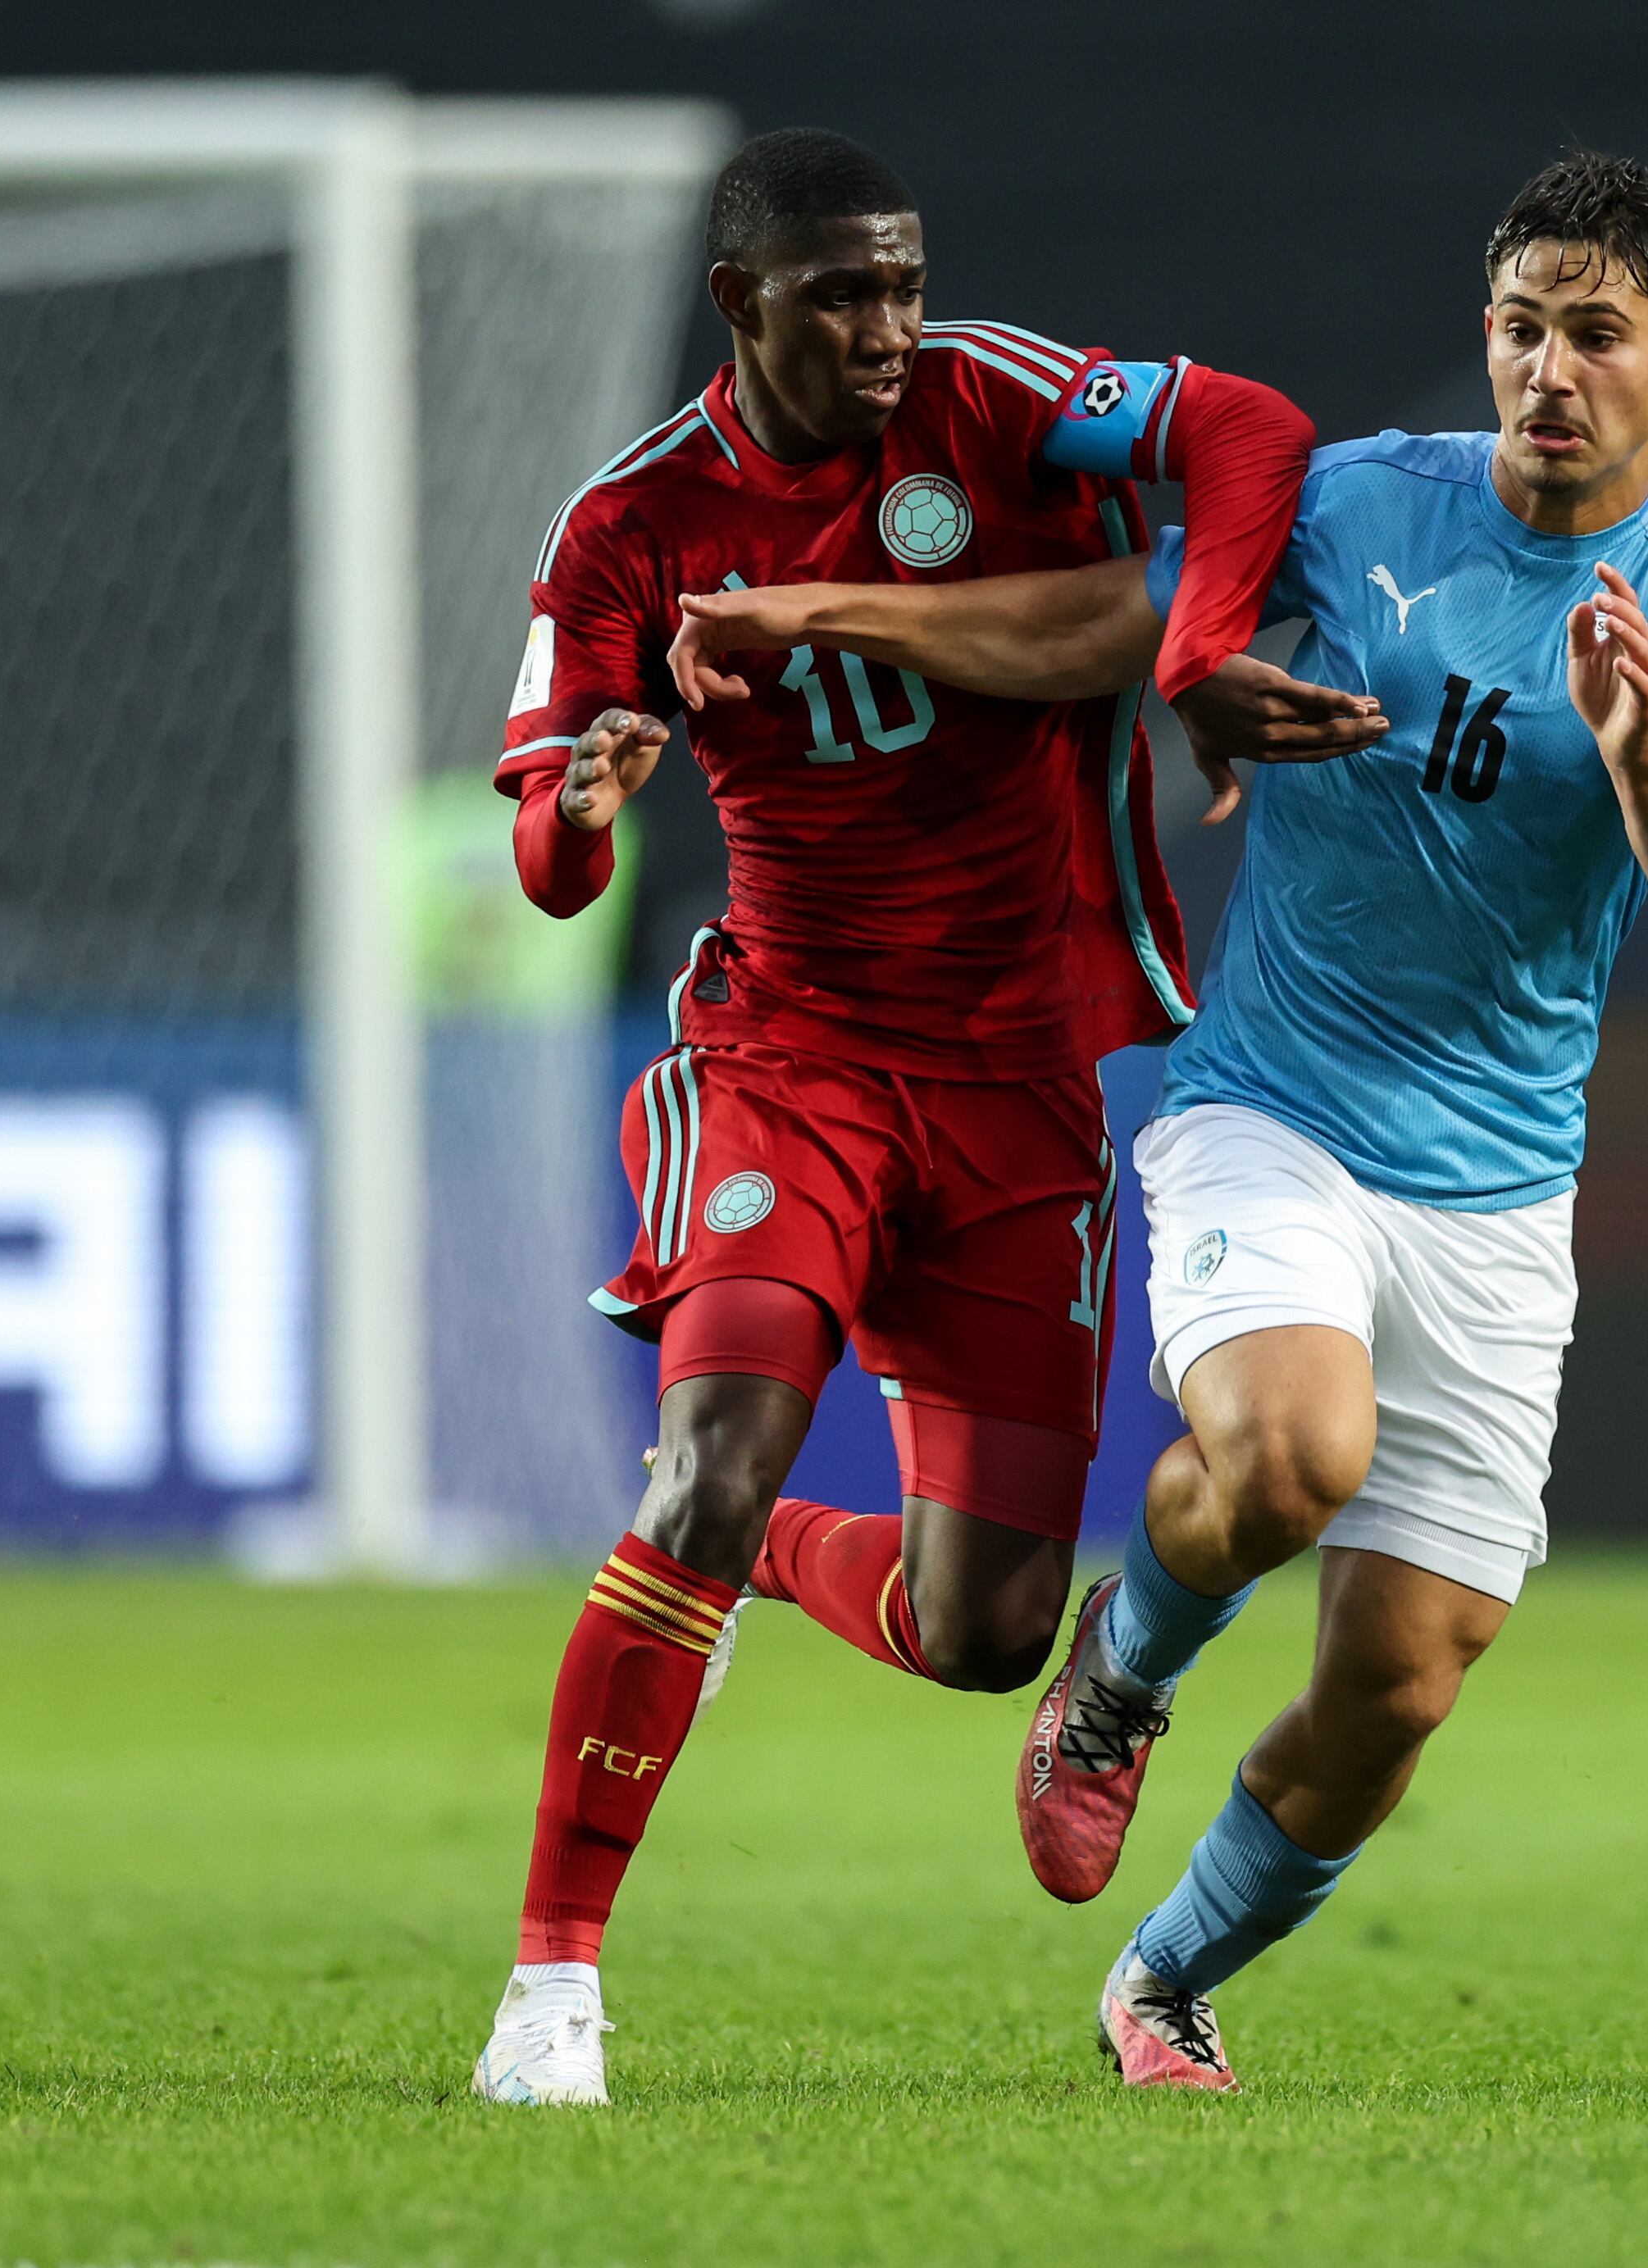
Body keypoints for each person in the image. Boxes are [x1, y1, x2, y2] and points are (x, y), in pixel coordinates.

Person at [673, 151, 1648, 2093]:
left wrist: (1631, 761)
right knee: (1286, 1452)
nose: (1551, 371)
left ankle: (1165, 1984)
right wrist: (834, 612)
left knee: (1398, 1688)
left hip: (1499, 1188)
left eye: (1598, 337)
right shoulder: (1358, 500)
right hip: (1267, 1106)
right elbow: (1105, 623)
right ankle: (1119, 1683)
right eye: (1523, 326)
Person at [471, 127, 1382, 2108]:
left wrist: (1202, 643)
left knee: (983, 1631)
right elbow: (544, 844)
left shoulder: (995, 399)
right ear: (743, 304)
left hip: (1019, 1094)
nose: (888, 324)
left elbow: (1250, 429)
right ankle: (551, 1994)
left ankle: (761, 1546)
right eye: (841, 293)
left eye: (901, 278)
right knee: (700, 1459)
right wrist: (591, 809)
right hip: (788, 1059)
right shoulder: (629, 522)